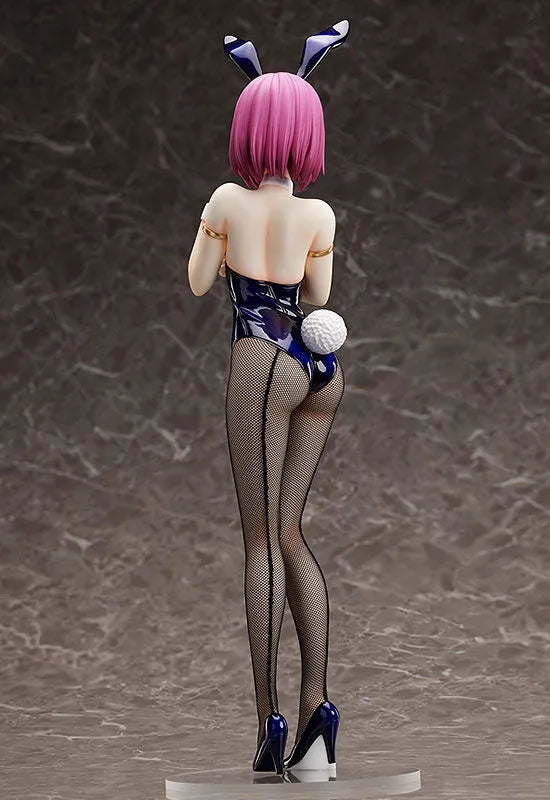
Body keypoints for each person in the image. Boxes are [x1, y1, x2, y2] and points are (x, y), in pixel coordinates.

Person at [187, 21, 350, 775]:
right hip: (319, 368)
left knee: (259, 543)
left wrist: (218, 237)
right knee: (291, 535)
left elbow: (198, 282)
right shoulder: (319, 215)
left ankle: (269, 724)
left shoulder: (226, 200)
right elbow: (317, 294)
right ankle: (320, 713)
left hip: (259, 362)